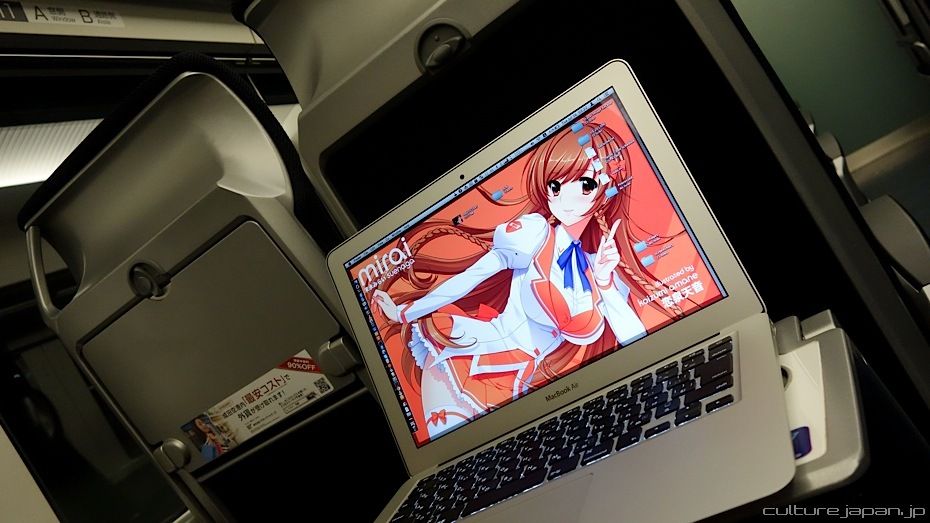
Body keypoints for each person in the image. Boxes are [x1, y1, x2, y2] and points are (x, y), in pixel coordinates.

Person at [372, 120, 684, 439]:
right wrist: (404, 313)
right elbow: (473, 276)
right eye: (556, 185)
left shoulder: (601, 267)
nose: (565, 199)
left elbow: (642, 348)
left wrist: (604, 282)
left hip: (517, 390)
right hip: (468, 356)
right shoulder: (534, 233)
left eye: (585, 185)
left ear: (605, 192)